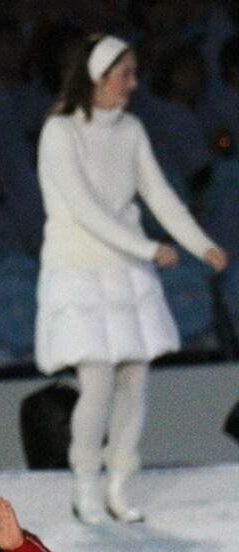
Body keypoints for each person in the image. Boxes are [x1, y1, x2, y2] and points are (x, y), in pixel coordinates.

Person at [35, 34, 229, 525]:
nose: (133, 84)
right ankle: (85, 482)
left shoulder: (132, 130)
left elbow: (159, 195)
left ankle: (120, 482)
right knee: (96, 381)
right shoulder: (60, 132)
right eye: (125, 74)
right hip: (81, 268)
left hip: (125, 271)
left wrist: (199, 243)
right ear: (98, 78)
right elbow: (84, 207)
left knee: (133, 381)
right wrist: (146, 247)